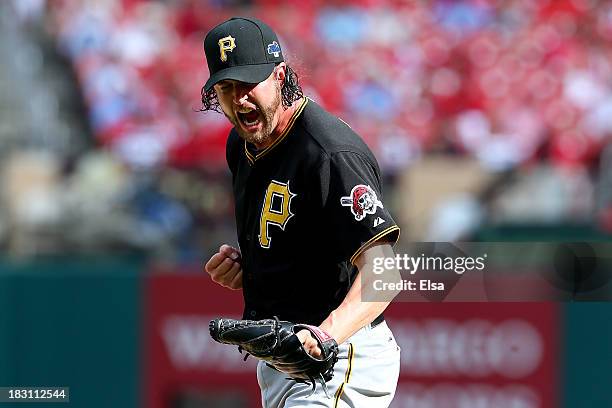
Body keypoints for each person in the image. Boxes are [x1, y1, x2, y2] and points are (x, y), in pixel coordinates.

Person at [201, 16, 402, 408]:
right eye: (226, 88)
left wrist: (326, 336)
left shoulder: (329, 153)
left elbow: (385, 272)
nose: (239, 98)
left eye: (248, 84)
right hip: (282, 360)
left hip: (340, 354)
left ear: (279, 76)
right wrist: (253, 268)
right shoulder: (242, 144)